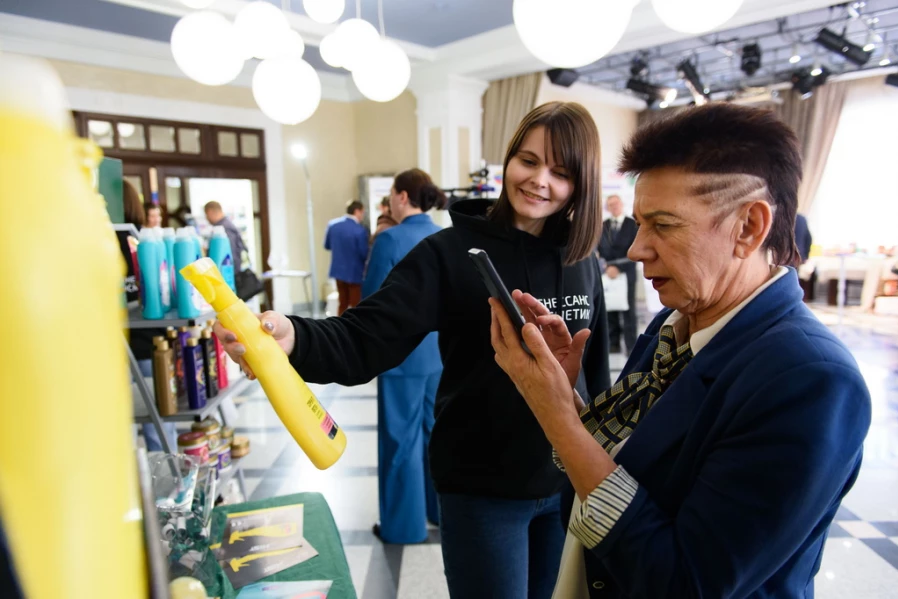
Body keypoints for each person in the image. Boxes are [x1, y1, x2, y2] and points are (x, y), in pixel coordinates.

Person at [214, 102, 611, 599]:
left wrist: (600, 470)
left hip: (565, 484)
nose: (539, 181)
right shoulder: (451, 254)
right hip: (482, 488)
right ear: (509, 161)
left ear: (582, 184)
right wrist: (290, 335)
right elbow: (365, 338)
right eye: (528, 161)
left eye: (561, 172)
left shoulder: (582, 260)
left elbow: (596, 378)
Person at [489, 103, 871, 599]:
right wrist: (567, 399)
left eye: (663, 225)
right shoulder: (678, 323)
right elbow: (631, 465)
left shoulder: (810, 380)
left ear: (749, 227)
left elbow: (687, 582)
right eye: (639, 223)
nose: (636, 249)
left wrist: (558, 420)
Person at [362, 169, 445, 544]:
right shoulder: (444, 236)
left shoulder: (389, 239)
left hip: (401, 356)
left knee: (400, 441)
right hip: (441, 353)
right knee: (435, 436)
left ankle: (403, 527)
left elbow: (371, 303)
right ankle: (439, 512)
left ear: (401, 197)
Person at [119, 181, 177, 452]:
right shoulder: (143, 240)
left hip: (133, 344)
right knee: (159, 419)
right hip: (150, 343)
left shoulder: (140, 242)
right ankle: (168, 488)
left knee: (130, 421)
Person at [598, 195, 638, 353]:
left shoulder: (633, 224)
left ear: (621, 204)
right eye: (610, 205)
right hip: (608, 274)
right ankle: (613, 344)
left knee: (629, 311)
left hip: (627, 273)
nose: (613, 207)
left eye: (616, 203)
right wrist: (608, 268)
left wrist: (618, 268)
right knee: (610, 309)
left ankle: (631, 346)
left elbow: (635, 250)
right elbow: (601, 249)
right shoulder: (603, 225)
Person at [324, 200, 370, 316]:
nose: (362, 216)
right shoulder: (359, 230)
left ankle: (340, 329)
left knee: (342, 303)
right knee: (355, 305)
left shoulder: (333, 225)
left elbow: (327, 245)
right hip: (355, 272)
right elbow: (363, 253)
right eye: (362, 212)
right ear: (357, 211)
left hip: (338, 270)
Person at [204, 201, 247, 270]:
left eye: (206, 215)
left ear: (210, 212)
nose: (206, 218)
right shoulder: (225, 225)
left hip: (229, 274)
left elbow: (230, 255)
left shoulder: (224, 229)